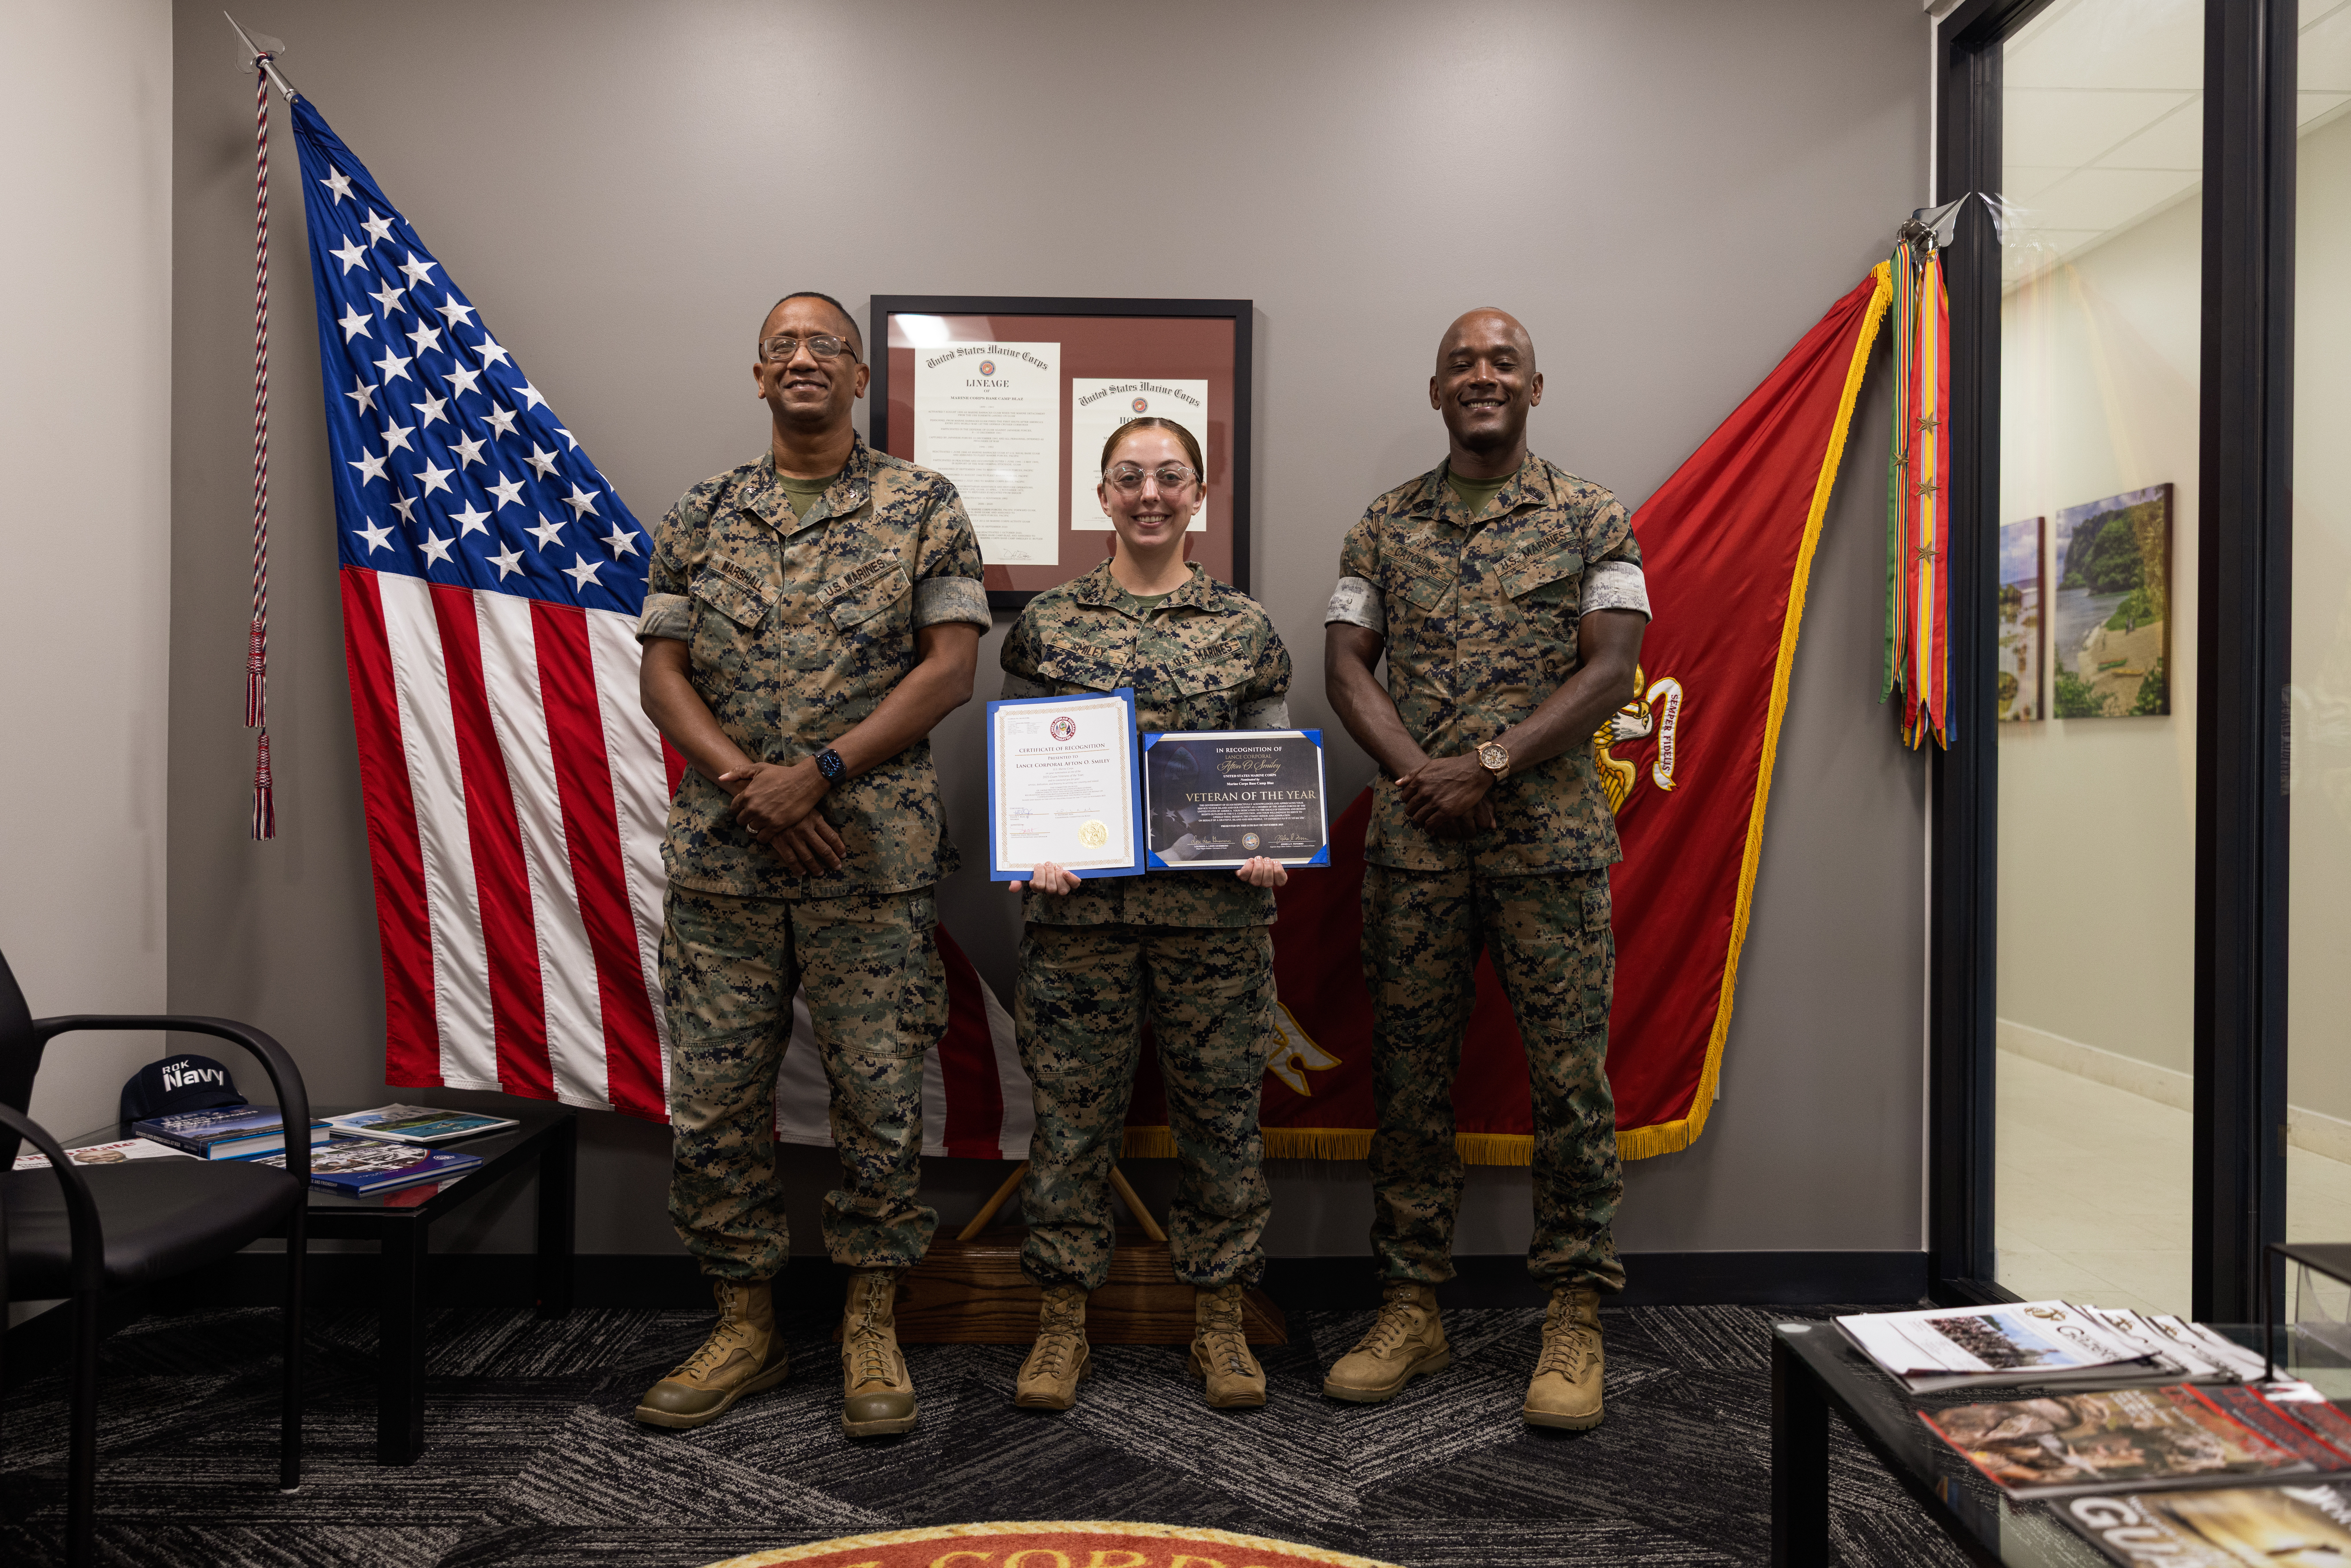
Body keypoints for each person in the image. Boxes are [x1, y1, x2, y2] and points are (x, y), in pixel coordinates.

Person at [631, 290, 990, 1436]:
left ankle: (869, 1319)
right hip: (725, 862)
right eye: (781, 345)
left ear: (857, 377)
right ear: (756, 376)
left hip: (868, 863)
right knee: (716, 1103)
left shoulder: (922, 504)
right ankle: (743, 1323)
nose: (801, 359)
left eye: (823, 345)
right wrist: (753, 782)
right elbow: (661, 672)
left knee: (879, 1100)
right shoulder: (700, 512)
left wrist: (819, 772)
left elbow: (948, 670)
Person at [1321, 308, 1650, 1431]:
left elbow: (1612, 671)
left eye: (1500, 362)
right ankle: (1410, 1308)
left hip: (1547, 846)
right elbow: (1344, 664)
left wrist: (1492, 762)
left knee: (1566, 1087)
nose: (1480, 376)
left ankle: (1571, 1316)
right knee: (1409, 1084)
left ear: (1533, 386)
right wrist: (1423, 773)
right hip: (1417, 846)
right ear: (1434, 391)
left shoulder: (1591, 516)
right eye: (1461, 363)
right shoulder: (1383, 522)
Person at [998, 417, 1292, 1412]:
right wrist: (1029, 851)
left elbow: (1269, 767)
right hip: (1078, 926)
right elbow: (1023, 762)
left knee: (1222, 1127)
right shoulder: (1045, 625)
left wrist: (1270, 850)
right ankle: (1060, 1324)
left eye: (1171, 477)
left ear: (1199, 495)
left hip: (1216, 926)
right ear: (1103, 493)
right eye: (1131, 477)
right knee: (1072, 1128)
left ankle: (1219, 1322)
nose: (1151, 494)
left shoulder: (1247, 630)